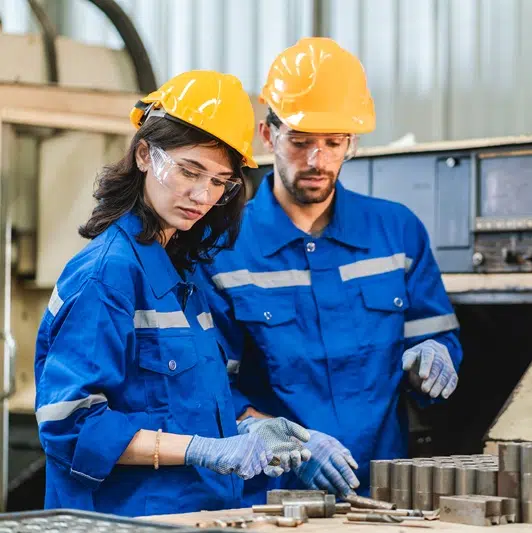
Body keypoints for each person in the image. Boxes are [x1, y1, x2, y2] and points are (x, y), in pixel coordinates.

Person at [193, 38, 463, 504]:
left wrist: (436, 358)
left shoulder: (396, 232)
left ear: (351, 142)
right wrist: (293, 444)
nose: (316, 161)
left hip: (387, 493)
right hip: (271, 501)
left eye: (333, 143)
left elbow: (434, 339)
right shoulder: (224, 248)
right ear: (267, 135)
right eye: (299, 142)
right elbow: (210, 391)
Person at [34, 70, 310, 517]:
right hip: (125, 520)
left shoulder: (182, 271)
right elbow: (70, 424)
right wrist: (204, 450)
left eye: (220, 181)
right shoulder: (107, 276)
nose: (201, 195)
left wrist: (247, 428)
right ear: (145, 154)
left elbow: (178, 403)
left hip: (197, 514)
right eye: (189, 170)